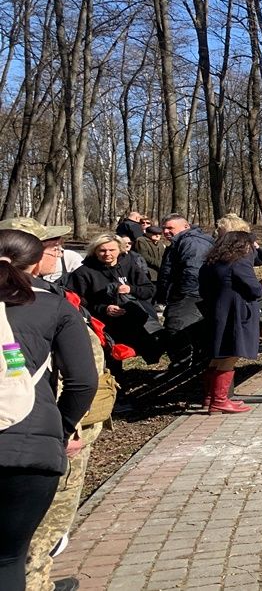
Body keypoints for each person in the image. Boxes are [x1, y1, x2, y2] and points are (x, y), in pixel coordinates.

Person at [0, 229, 97, 591]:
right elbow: (83, 382)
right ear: (36, 263)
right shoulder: (53, 306)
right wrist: (61, 428)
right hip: (27, 444)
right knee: (8, 558)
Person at [66, 235, 164, 366]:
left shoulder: (129, 265)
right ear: (94, 251)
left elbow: (149, 290)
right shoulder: (83, 272)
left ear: (120, 250)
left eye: (112, 250)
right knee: (109, 359)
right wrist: (104, 309)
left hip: (131, 319)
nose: (107, 254)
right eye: (102, 250)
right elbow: (77, 302)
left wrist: (130, 289)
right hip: (101, 324)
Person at [198, 232, 262, 415]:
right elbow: (254, 289)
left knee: (217, 356)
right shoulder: (238, 262)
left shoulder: (210, 262)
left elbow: (202, 289)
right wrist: (260, 286)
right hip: (236, 314)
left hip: (216, 312)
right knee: (230, 355)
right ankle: (219, 401)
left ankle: (210, 398)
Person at [156, 214, 215, 372]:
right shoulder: (181, 241)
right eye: (164, 228)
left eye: (170, 228)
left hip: (190, 295)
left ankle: (182, 367)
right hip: (186, 294)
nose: (166, 232)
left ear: (186, 227)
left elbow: (193, 270)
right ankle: (194, 366)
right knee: (192, 332)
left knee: (175, 330)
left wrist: (183, 295)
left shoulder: (192, 242)